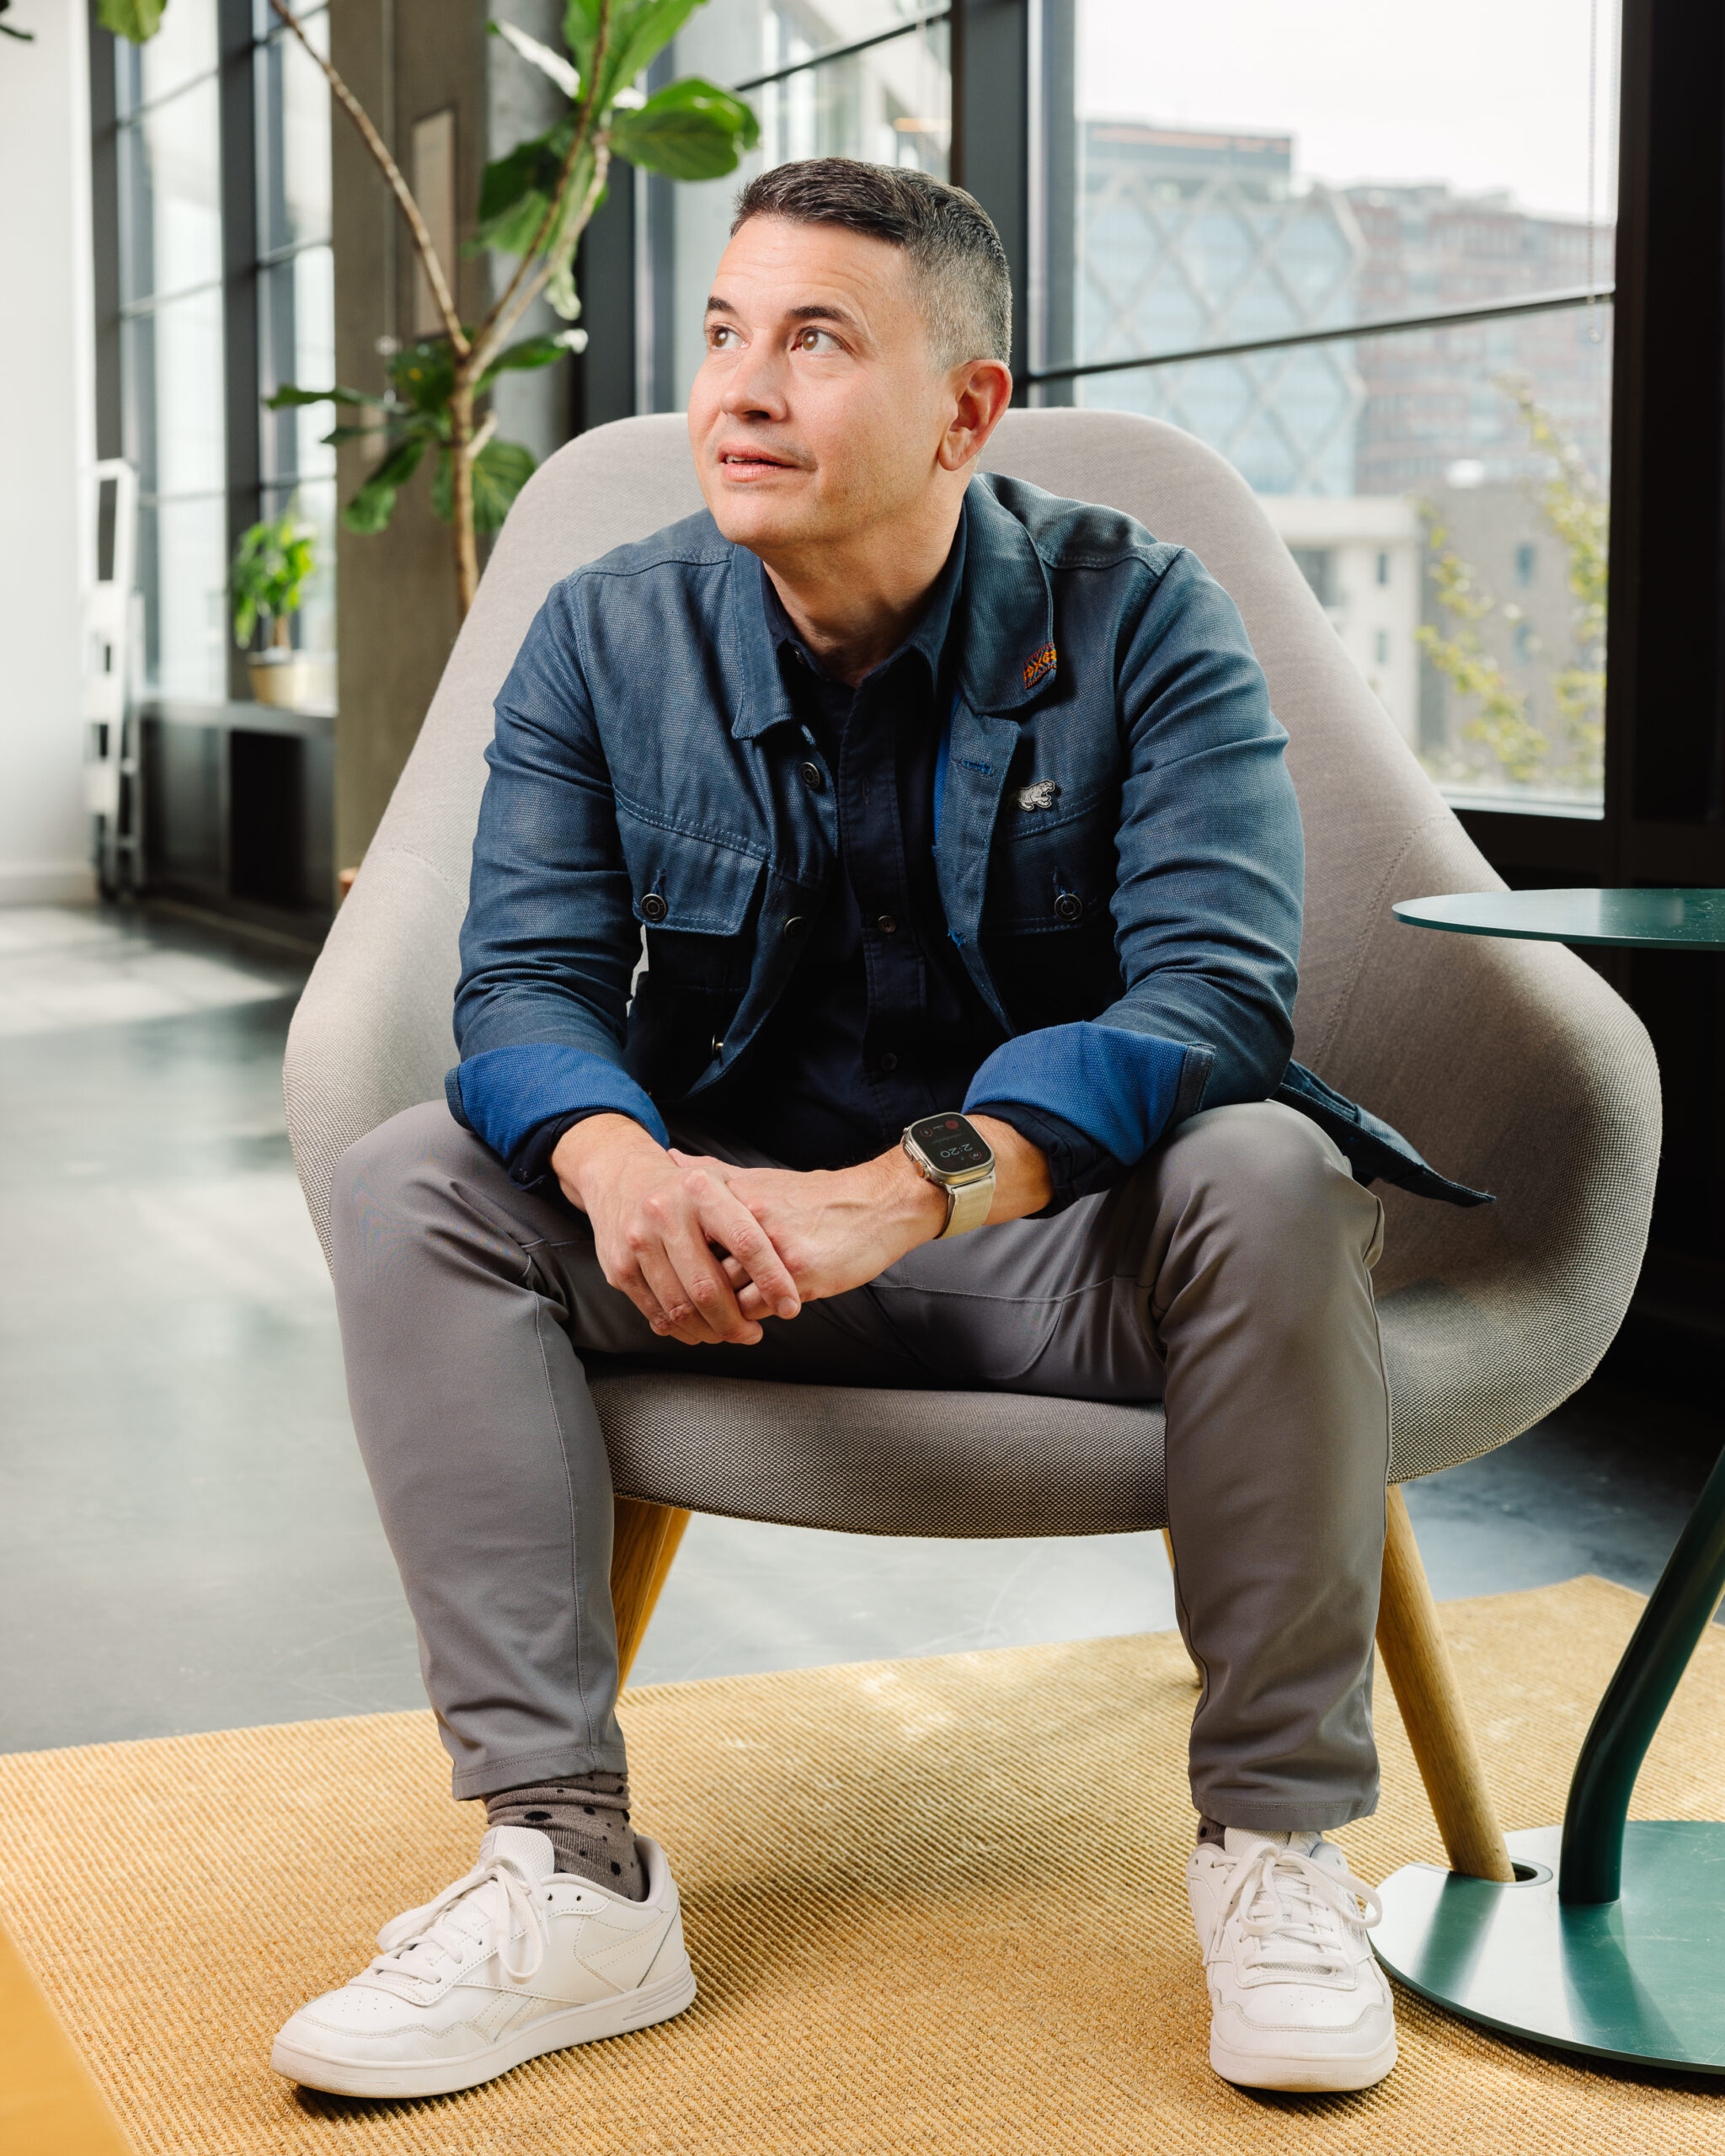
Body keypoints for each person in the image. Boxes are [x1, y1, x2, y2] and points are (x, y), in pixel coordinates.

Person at [272, 157, 1482, 2105]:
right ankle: (568, 1867)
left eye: (816, 340)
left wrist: (907, 1197)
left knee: (1268, 1161)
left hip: (1057, 1253)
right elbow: (521, 987)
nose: (741, 391)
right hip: (720, 1239)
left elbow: (1214, 1000)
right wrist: (620, 1163)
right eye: (725, 335)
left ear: (965, 407)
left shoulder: (1145, 614)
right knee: (414, 1167)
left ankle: (1273, 1847)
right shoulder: (607, 631)